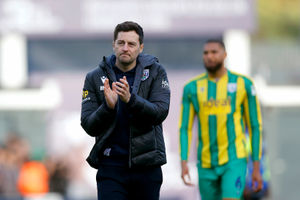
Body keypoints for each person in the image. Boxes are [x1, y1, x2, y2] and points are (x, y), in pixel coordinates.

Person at [80, 21, 170, 200]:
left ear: (141, 47)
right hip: (111, 167)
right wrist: (108, 107)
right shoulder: (94, 77)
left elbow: (160, 112)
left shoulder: (156, 72)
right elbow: (89, 126)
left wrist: (131, 100)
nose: (125, 48)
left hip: (147, 166)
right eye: (121, 43)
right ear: (113, 45)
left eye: (131, 44)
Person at [179, 39, 263, 200]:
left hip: (234, 160)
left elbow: (254, 126)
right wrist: (183, 161)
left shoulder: (243, 84)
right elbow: (185, 128)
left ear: (224, 55)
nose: (209, 56)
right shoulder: (192, 88)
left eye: (214, 52)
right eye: (205, 53)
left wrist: (256, 167)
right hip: (205, 163)